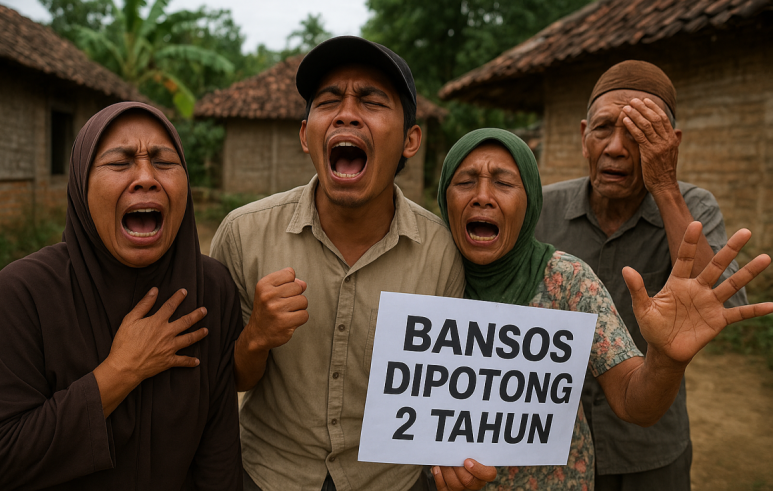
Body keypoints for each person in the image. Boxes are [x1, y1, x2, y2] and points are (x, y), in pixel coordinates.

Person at [211, 36, 496, 491]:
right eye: (328, 101)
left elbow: (442, 398)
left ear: (410, 140)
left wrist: (455, 462)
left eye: (371, 100)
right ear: (306, 135)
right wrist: (256, 337)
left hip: (391, 481)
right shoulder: (243, 234)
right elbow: (221, 380)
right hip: (267, 476)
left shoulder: (442, 252)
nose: (346, 113)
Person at [437, 128, 771, 490]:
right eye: (466, 182)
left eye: (504, 183)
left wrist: (665, 358)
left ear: (531, 201)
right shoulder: (423, 277)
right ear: (444, 197)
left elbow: (634, 403)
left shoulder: (568, 281)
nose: (483, 197)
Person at [0, 102, 243, 490]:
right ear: (81, 185)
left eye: (164, 162)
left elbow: (218, 460)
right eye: (121, 163)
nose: (146, 178)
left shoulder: (210, 289)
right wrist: (121, 371)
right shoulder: (22, 294)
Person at [534, 60, 747, 489]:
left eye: (639, 134)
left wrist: (665, 186)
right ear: (582, 136)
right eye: (603, 129)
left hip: (648, 448)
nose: (616, 147)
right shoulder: (541, 209)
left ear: (671, 143)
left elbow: (718, 308)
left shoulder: (692, 206)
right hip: (549, 443)